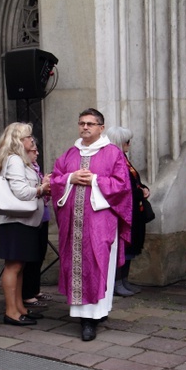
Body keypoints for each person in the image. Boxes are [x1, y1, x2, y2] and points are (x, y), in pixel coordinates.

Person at [51, 108, 132, 341]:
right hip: (73, 223)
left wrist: (95, 180)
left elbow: (122, 186)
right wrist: (70, 179)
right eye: (81, 123)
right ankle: (86, 318)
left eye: (90, 124)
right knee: (79, 265)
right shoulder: (70, 154)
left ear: (101, 128)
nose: (85, 127)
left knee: (97, 264)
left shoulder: (113, 153)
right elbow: (55, 179)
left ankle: (97, 315)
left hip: (100, 223)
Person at [0, 123, 49, 326]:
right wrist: (42, 188)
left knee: (19, 266)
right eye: (29, 137)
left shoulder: (21, 161)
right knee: (13, 266)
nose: (32, 140)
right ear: (18, 140)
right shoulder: (15, 160)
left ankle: (20, 308)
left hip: (24, 222)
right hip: (16, 221)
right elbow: (21, 192)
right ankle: (11, 312)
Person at [106, 126, 152, 296]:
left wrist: (143, 188)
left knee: (130, 247)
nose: (129, 145)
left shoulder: (124, 159)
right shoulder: (114, 161)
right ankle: (117, 283)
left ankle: (124, 280)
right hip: (122, 212)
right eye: (127, 141)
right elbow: (122, 188)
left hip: (134, 210)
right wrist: (140, 191)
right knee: (121, 248)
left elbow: (134, 182)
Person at [21, 139, 53, 309]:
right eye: (34, 150)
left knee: (40, 254)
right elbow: (27, 192)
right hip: (30, 216)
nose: (37, 153)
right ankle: (26, 293)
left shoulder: (36, 169)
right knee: (30, 257)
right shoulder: (22, 168)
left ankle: (35, 289)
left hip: (42, 215)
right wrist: (43, 185)